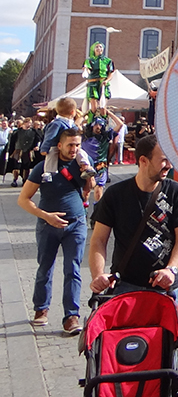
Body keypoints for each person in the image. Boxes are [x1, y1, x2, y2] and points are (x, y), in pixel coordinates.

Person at [88, 134, 178, 297]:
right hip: (125, 285)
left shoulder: (176, 192)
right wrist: (98, 274)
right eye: (163, 160)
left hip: (164, 286)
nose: (169, 166)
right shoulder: (115, 194)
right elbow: (99, 239)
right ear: (143, 161)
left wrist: (171, 269)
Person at [17, 125, 89, 335]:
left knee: (73, 269)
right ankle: (41, 310)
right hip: (48, 225)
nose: (74, 149)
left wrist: (90, 181)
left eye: (77, 145)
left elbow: (89, 188)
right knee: (45, 268)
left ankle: (71, 317)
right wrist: (46, 216)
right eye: (70, 145)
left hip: (75, 225)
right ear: (59, 145)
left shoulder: (83, 165)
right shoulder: (43, 167)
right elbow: (23, 200)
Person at [40, 97, 96, 185]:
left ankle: (85, 166)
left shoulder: (70, 122)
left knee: (80, 152)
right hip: (56, 145)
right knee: (51, 155)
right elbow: (50, 136)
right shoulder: (56, 123)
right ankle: (48, 173)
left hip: (70, 145)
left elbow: (75, 131)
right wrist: (45, 148)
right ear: (73, 112)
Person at [81, 113, 123, 203]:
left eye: (100, 125)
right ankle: (84, 212)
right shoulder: (84, 136)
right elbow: (76, 124)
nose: (98, 127)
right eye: (96, 124)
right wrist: (86, 114)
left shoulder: (106, 136)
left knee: (99, 190)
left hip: (101, 166)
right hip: (86, 166)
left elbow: (120, 124)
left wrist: (108, 112)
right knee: (85, 192)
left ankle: (97, 212)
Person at [82, 42, 114, 119]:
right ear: (93, 49)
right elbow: (87, 71)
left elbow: (111, 73)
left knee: (103, 108)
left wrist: (106, 81)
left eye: (100, 47)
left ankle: (104, 123)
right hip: (92, 83)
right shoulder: (89, 60)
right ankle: (90, 122)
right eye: (97, 47)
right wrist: (86, 70)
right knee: (94, 107)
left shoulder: (108, 61)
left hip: (103, 84)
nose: (99, 48)